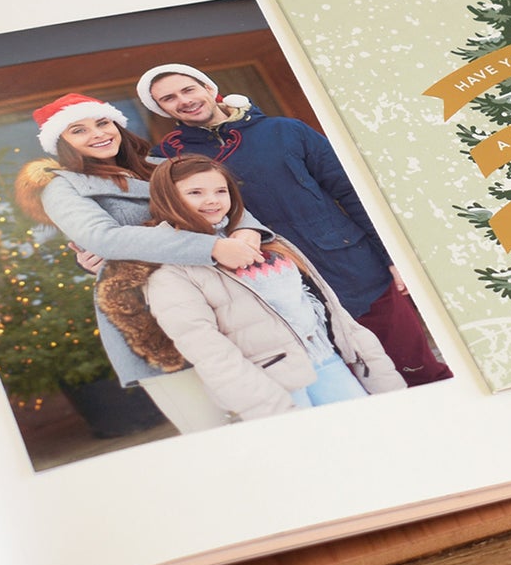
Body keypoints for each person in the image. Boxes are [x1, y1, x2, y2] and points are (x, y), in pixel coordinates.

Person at [140, 63, 452, 387]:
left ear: (208, 88)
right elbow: (153, 212)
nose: (183, 100)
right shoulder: (169, 160)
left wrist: (391, 257)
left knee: (417, 370)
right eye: (168, 99)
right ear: (162, 109)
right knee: (350, 388)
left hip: (354, 269)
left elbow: (353, 192)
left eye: (188, 89)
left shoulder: (285, 130)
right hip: (278, 288)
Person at [13, 93, 265, 435]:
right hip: (148, 313)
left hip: (224, 299)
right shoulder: (62, 187)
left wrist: (247, 230)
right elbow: (103, 238)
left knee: (267, 406)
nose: (98, 134)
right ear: (61, 142)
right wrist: (212, 246)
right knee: (213, 427)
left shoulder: (160, 165)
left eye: (102, 122)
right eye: (79, 130)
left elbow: (223, 200)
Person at [141, 155, 404, 422]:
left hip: (325, 359)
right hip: (270, 382)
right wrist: (263, 403)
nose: (212, 200)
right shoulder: (171, 271)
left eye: (221, 191)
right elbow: (207, 350)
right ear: (168, 198)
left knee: (367, 431)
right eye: (195, 192)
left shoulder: (267, 243)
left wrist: (370, 361)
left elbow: (326, 307)